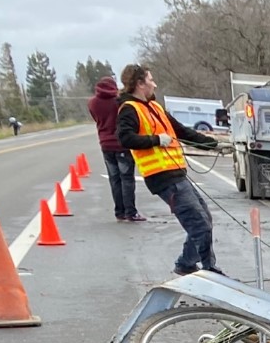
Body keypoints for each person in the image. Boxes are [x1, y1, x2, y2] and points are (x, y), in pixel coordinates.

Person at [115, 64, 222, 276]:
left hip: (176, 173)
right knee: (200, 224)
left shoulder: (155, 107)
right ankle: (209, 270)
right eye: (150, 80)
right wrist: (156, 140)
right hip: (162, 178)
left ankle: (185, 264)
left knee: (205, 220)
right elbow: (124, 138)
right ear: (139, 84)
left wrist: (212, 144)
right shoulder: (129, 109)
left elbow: (181, 131)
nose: (154, 83)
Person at [87, 76, 142, 222]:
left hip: (105, 144)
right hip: (121, 144)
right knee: (127, 179)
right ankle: (131, 212)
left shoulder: (92, 103)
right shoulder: (119, 102)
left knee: (114, 179)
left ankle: (119, 212)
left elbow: (96, 119)